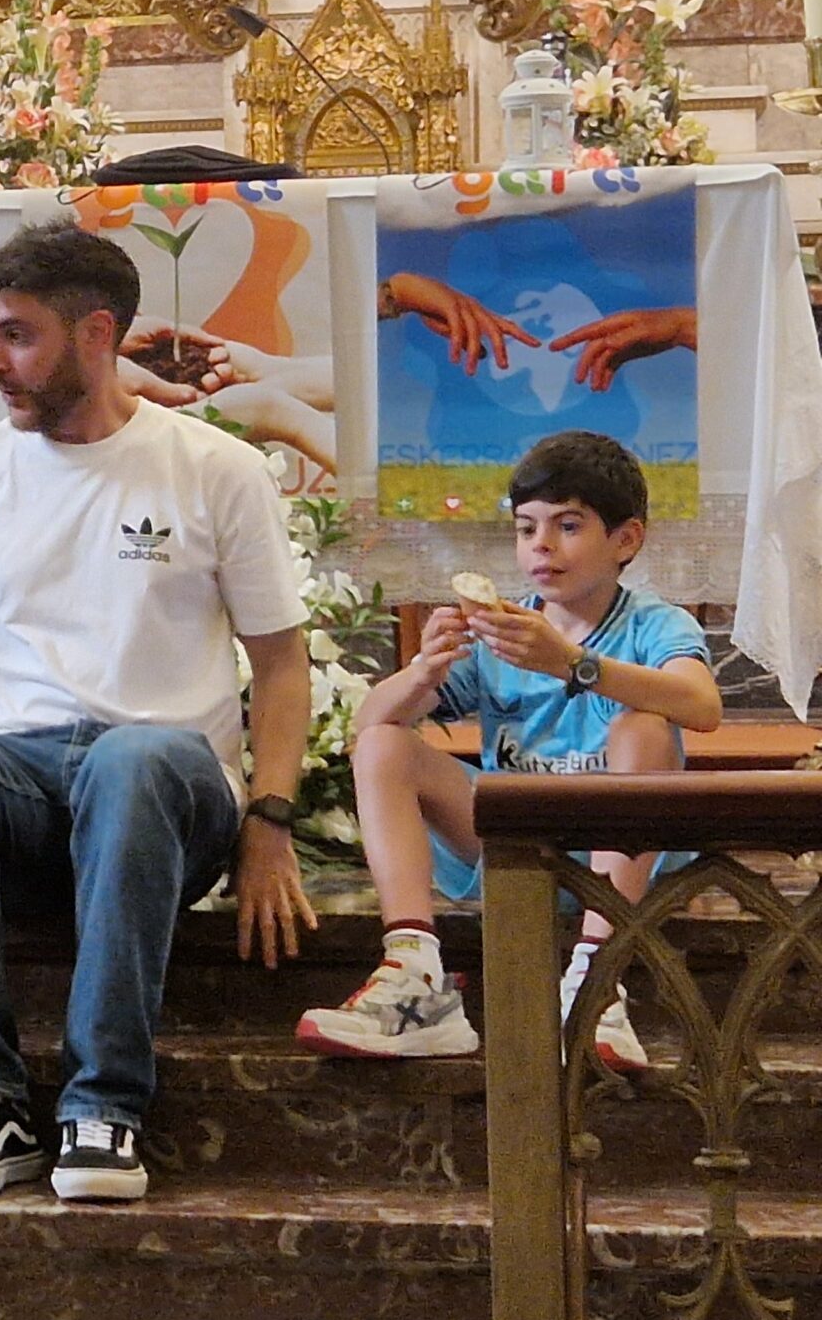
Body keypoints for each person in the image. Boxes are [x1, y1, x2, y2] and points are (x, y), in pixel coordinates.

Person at [0, 221, 316, 1204]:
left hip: (168, 794)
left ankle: (103, 1105)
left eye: (17, 335)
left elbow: (282, 666)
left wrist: (271, 824)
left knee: (133, 758)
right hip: (21, 790)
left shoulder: (214, 468)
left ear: (96, 334)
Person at [295, 431, 719, 1070]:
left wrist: (571, 662)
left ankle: (597, 981)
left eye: (567, 526)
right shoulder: (502, 628)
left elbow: (703, 706)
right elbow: (369, 728)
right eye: (526, 528)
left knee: (645, 727)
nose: (541, 545)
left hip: (624, 849)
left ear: (626, 540)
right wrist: (424, 670)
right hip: (515, 838)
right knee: (385, 743)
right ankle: (416, 976)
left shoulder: (653, 624)